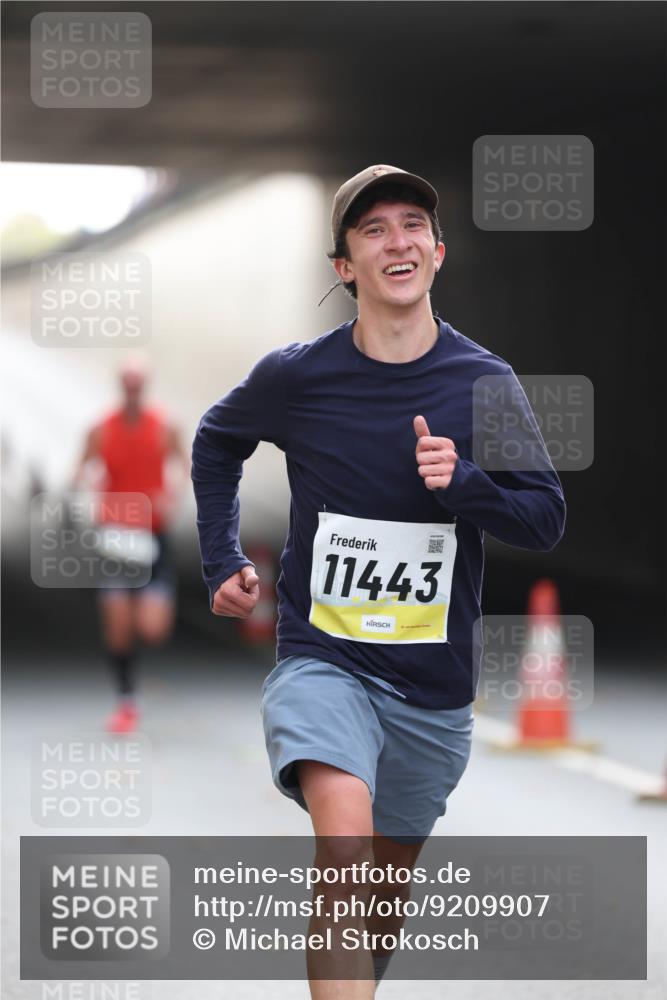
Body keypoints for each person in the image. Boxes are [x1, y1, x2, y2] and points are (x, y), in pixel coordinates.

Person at [191, 164, 566, 996]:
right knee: (345, 846)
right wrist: (222, 557)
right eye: (372, 229)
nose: (395, 241)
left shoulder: (485, 383)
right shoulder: (296, 376)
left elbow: (543, 518)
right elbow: (218, 441)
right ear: (344, 266)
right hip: (322, 660)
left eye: (409, 226)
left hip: (432, 688)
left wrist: (464, 483)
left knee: (379, 898)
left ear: (435, 251)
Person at [74, 354, 189, 734]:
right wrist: (92, 498)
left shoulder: (164, 427)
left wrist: (170, 497)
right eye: (127, 382)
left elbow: (186, 467)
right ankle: (126, 700)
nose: (133, 389)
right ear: (120, 385)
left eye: (138, 383)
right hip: (116, 535)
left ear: (146, 386)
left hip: (152, 534)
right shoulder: (101, 430)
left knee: (152, 628)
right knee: (118, 625)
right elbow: (80, 471)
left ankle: (155, 601)